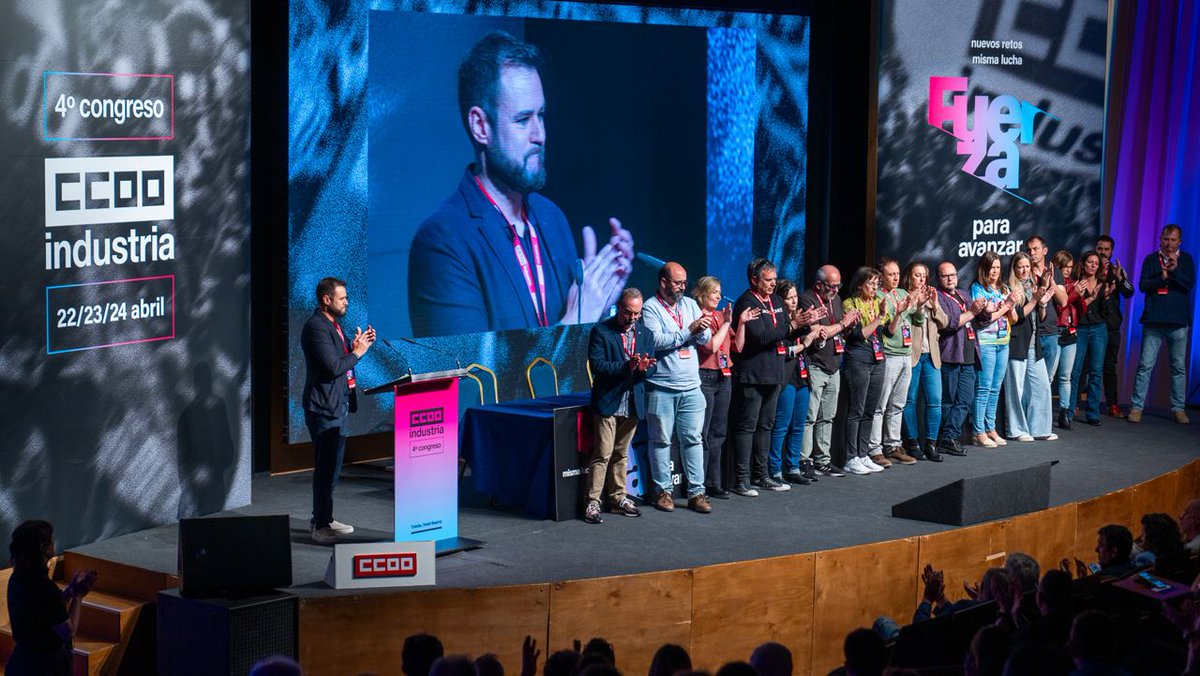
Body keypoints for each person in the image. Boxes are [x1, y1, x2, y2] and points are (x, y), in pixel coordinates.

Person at [407, 31, 635, 337]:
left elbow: (579, 345)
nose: (540, 135)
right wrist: (576, 319)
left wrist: (601, 308)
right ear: (480, 126)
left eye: (541, 116)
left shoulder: (552, 218)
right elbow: (463, 366)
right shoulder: (442, 242)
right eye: (523, 119)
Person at [730, 258, 817, 494]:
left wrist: (804, 324)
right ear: (754, 279)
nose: (772, 284)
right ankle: (741, 480)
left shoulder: (776, 300)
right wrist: (791, 326)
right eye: (768, 280)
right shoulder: (747, 302)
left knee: (766, 426)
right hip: (752, 375)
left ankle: (762, 475)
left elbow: (783, 333)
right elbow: (761, 336)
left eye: (774, 279)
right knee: (747, 427)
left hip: (775, 373)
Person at [302, 277, 376, 544]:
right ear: (326, 300)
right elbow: (334, 367)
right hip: (324, 407)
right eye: (342, 298)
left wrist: (354, 348)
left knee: (333, 467)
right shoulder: (316, 328)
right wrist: (358, 353)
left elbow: (341, 362)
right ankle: (319, 525)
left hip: (338, 404)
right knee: (325, 467)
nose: (346, 302)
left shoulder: (334, 325)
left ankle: (326, 517)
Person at [642, 262, 713, 513]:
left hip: (692, 386)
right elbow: (656, 341)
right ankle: (663, 492)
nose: (682, 287)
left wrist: (702, 330)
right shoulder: (650, 308)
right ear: (663, 283)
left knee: (693, 439)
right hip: (661, 387)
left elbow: (705, 339)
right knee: (661, 441)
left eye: (684, 282)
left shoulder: (690, 305)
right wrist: (689, 331)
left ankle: (697, 493)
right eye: (677, 283)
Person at [583, 288, 657, 524]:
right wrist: (628, 366)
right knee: (603, 453)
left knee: (621, 453)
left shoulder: (645, 333)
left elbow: (652, 367)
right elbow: (598, 366)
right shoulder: (602, 331)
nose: (633, 318)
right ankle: (593, 502)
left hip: (633, 402)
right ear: (619, 307)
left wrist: (645, 368)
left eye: (637, 313)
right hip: (608, 401)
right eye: (629, 313)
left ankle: (617, 498)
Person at [6, 520, 97, 676]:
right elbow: (68, 631)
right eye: (52, 539)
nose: (55, 542)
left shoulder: (17, 578)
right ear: (43, 546)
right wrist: (78, 597)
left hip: (21, 662)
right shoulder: (43, 587)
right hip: (44, 666)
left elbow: (46, 610)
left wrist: (70, 590)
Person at [1129, 224, 1194, 424]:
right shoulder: (1151, 260)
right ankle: (1137, 407)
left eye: (1173, 240)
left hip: (1178, 322)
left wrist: (1174, 271)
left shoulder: (1186, 260)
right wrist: (1162, 278)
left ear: (1179, 242)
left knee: (1178, 368)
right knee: (1145, 365)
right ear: (1160, 239)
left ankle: (1178, 409)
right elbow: (1143, 285)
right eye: (1166, 239)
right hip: (1154, 321)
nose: (1169, 243)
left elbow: (1189, 284)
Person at [799, 265, 854, 477]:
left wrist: (848, 326)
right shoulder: (807, 300)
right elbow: (817, 332)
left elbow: (834, 330)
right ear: (819, 284)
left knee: (828, 416)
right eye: (832, 286)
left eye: (838, 285)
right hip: (815, 364)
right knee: (810, 417)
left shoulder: (836, 300)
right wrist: (842, 325)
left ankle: (823, 460)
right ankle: (804, 460)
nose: (836, 290)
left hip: (834, 365)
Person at [693, 276, 746, 499]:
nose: (718, 296)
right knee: (703, 433)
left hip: (724, 376)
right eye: (714, 292)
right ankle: (699, 485)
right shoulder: (699, 317)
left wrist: (740, 323)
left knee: (718, 432)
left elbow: (738, 347)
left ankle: (714, 482)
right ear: (703, 293)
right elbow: (710, 347)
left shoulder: (719, 316)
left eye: (719, 292)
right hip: (705, 376)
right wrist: (726, 323)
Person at [1002, 252, 1057, 442]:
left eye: (1027, 266)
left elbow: (1041, 318)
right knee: (1016, 390)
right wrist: (1034, 300)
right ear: (1014, 269)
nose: (1024, 270)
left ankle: (1039, 429)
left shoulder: (1032, 285)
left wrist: (1043, 303)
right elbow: (1017, 317)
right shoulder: (1009, 288)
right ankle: (1016, 430)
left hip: (1034, 344)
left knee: (1041, 386)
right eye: (1020, 267)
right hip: (1017, 343)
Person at [769, 279, 820, 485]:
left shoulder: (801, 318)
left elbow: (811, 342)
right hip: (786, 376)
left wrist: (816, 334)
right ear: (780, 300)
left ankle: (793, 466)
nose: (793, 301)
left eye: (795, 297)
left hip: (802, 376)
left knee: (799, 425)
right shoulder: (779, 322)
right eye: (789, 298)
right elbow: (782, 351)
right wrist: (804, 344)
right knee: (781, 426)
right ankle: (774, 469)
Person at [869, 257, 917, 468]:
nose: (896, 277)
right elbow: (889, 330)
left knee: (898, 404)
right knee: (880, 405)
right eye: (891, 274)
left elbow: (917, 320)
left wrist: (919, 305)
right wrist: (900, 311)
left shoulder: (903, 293)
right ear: (882, 277)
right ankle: (874, 449)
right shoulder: (879, 296)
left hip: (906, 353)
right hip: (889, 355)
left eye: (897, 273)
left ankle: (893, 445)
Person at [899, 262, 948, 462]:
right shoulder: (903, 296)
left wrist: (934, 305)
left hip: (932, 356)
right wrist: (916, 304)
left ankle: (931, 444)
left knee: (935, 401)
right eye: (917, 275)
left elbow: (944, 322)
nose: (921, 279)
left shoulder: (931, 296)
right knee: (909, 400)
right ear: (909, 277)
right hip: (912, 355)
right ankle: (912, 444)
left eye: (923, 276)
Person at [935, 261, 985, 457]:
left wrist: (986, 309)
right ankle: (946, 439)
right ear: (939, 278)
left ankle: (948, 437)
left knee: (965, 399)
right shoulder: (938, 297)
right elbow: (949, 324)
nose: (950, 279)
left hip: (969, 356)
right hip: (951, 355)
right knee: (948, 401)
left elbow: (979, 320)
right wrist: (972, 311)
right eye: (945, 276)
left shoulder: (964, 294)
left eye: (953, 275)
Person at [842, 267, 888, 475]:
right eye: (871, 283)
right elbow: (859, 335)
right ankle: (850, 457)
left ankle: (863, 454)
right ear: (860, 284)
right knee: (857, 410)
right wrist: (879, 317)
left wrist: (898, 312)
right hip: (858, 357)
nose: (875, 287)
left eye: (877, 283)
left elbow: (888, 331)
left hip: (877, 357)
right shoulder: (850, 304)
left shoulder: (877, 301)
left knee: (870, 409)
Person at [970, 252, 1017, 448]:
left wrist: (1010, 306)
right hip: (986, 342)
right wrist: (1005, 307)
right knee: (984, 388)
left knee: (996, 388)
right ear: (984, 269)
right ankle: (978, 431)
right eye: (991, 268)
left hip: (1003, 342)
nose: (995, 271)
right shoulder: (977, 288)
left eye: (998, 267)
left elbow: (1014, 318)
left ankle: (991, 428)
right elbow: (984, 319)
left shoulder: (1003, 288)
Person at [1067, 251, 1110, 427]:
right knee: (1075, 371)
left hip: (1099, 328)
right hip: (1081, 328)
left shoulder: (1103, 283)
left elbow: (1107, 312)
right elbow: (1073, 306)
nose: (1093, 265)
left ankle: (1093, 413)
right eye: (1090, 262)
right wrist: (1082, 294)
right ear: (1083, 263)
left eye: (1096, 263)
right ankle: (1069, 411)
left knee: (1096, 371)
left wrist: (1106, 298)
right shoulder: (1076, 282)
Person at [1094, 235, 1135, 418]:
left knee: (1109, 367)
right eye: (1100, 249)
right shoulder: (1088, 266)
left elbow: (1129, 292)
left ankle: (1112, 404)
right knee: (1087, 366)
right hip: (1092, 324)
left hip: (1111, 326)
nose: (1103, 253)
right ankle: (1078, 404)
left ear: (1111, 252)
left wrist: (1120, 279)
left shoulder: (1117, 270)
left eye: (1106, 249)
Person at [1027, 236, 1067, 389]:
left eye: (1035, 249)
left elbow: (1063, 301)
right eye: (1029, 250)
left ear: (1045, 251)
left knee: (1046, 381)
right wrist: (1041, 286)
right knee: (1030, 382)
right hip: (1032, 333)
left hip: (1050, 332)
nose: (1032, 253)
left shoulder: (1055, 273)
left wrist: (1052, 283)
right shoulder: (1025, 272)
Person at [1051, 251, 1079, 430]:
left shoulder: (1074, 283)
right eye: (1065, 267)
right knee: (1049, 376)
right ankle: (1043, 412)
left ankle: (1064, 413)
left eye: (1070, 267)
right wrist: (1074, 293)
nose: (1068, 270)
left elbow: (1081, 308)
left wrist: (1081, 295)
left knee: (1066, 376)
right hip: (1055, 332)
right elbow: (1062, 305)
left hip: (1071, 333)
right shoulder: (1053, 283)